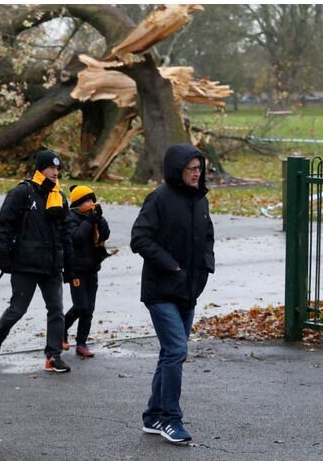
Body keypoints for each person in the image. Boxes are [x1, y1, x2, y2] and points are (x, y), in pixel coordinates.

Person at [131, 144, 215, 446]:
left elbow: (207, 236)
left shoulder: (199, 200)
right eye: (191, 168)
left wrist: (206, 266)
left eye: (199, 168)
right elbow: (139, 238)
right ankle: (171, 419)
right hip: (161, 290)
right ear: (176, 170)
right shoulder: (159, 199)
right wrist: (173, 267)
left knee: (170, 353)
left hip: (188, 291)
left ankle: (153, 415)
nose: (196, 173)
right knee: (177, 350)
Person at [0, 149, 73, 373]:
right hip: (25, 264)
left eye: (57, 168)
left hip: (52, 266)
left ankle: (53, 356)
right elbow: (2, 226)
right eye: (51, 167)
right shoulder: (23, 193)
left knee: (56, 310)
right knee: (17, 309)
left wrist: (70, 262)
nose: (55, 172)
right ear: (40, 169)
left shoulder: (59, 196)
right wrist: (2, 257)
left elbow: (66, 232)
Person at [60, 184, 113, 359]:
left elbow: (104, 234)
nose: (91, 203)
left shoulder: (93, 218)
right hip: (76, 270)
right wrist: (89, 221)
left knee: (89, 309)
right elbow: (76, 238)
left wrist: (100, 219)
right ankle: (61, 328)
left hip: (92, 269)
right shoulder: (71, 218)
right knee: (80, 305)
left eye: (92, 200)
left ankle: (81, 343)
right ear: (78, 203)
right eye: (87, 201)